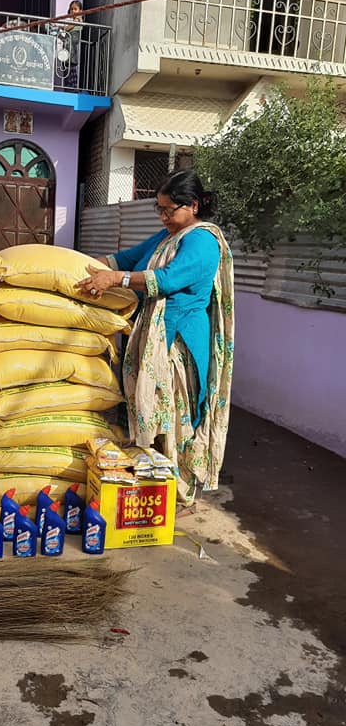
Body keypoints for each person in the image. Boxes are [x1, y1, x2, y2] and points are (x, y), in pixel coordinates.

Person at [75, 169, 234, 511]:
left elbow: (166, 279)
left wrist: (115, 279)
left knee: (173, 416)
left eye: (169, 210)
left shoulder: (203, 240)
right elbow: (127, 259)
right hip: (150, 340)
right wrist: (80, 267)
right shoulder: (166, 237)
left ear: (192, 205)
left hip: (178, 343)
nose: (164, 217)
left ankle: (175, 488)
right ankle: (151, 481)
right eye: (159, 210)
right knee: (148, 410)